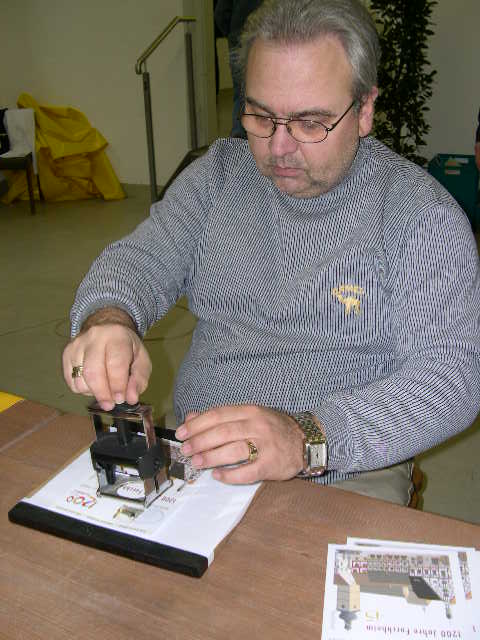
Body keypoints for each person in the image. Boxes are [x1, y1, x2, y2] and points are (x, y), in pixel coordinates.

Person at [63, 0, 480, 505]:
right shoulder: (218, 177)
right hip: (201, 457)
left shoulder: (419, 216)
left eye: (310, 122)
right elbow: (139, 261)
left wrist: (307, 440)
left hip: (342, 471)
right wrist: (109, 320)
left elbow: (450, 380)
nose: (279, 147)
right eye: (261, 115)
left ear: (365, 109)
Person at [214, 0, 263, 137]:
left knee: (240, 95)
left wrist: (232, 33)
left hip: (238, 41)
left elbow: (220, 14)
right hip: (264, 43)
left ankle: (238, 138)